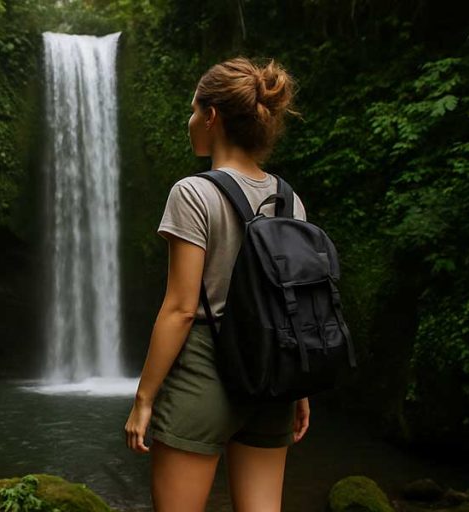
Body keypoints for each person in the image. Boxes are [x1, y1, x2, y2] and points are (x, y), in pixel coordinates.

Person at [124, 56, 311, 512]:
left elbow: (181, 308)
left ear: (212, 117)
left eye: (192, 110)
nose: (189, 121)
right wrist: (299, 389)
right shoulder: (290, 200)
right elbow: (295, 303)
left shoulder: (192, 193)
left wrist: (144, 398)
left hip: (206, 372)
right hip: (273, 375)